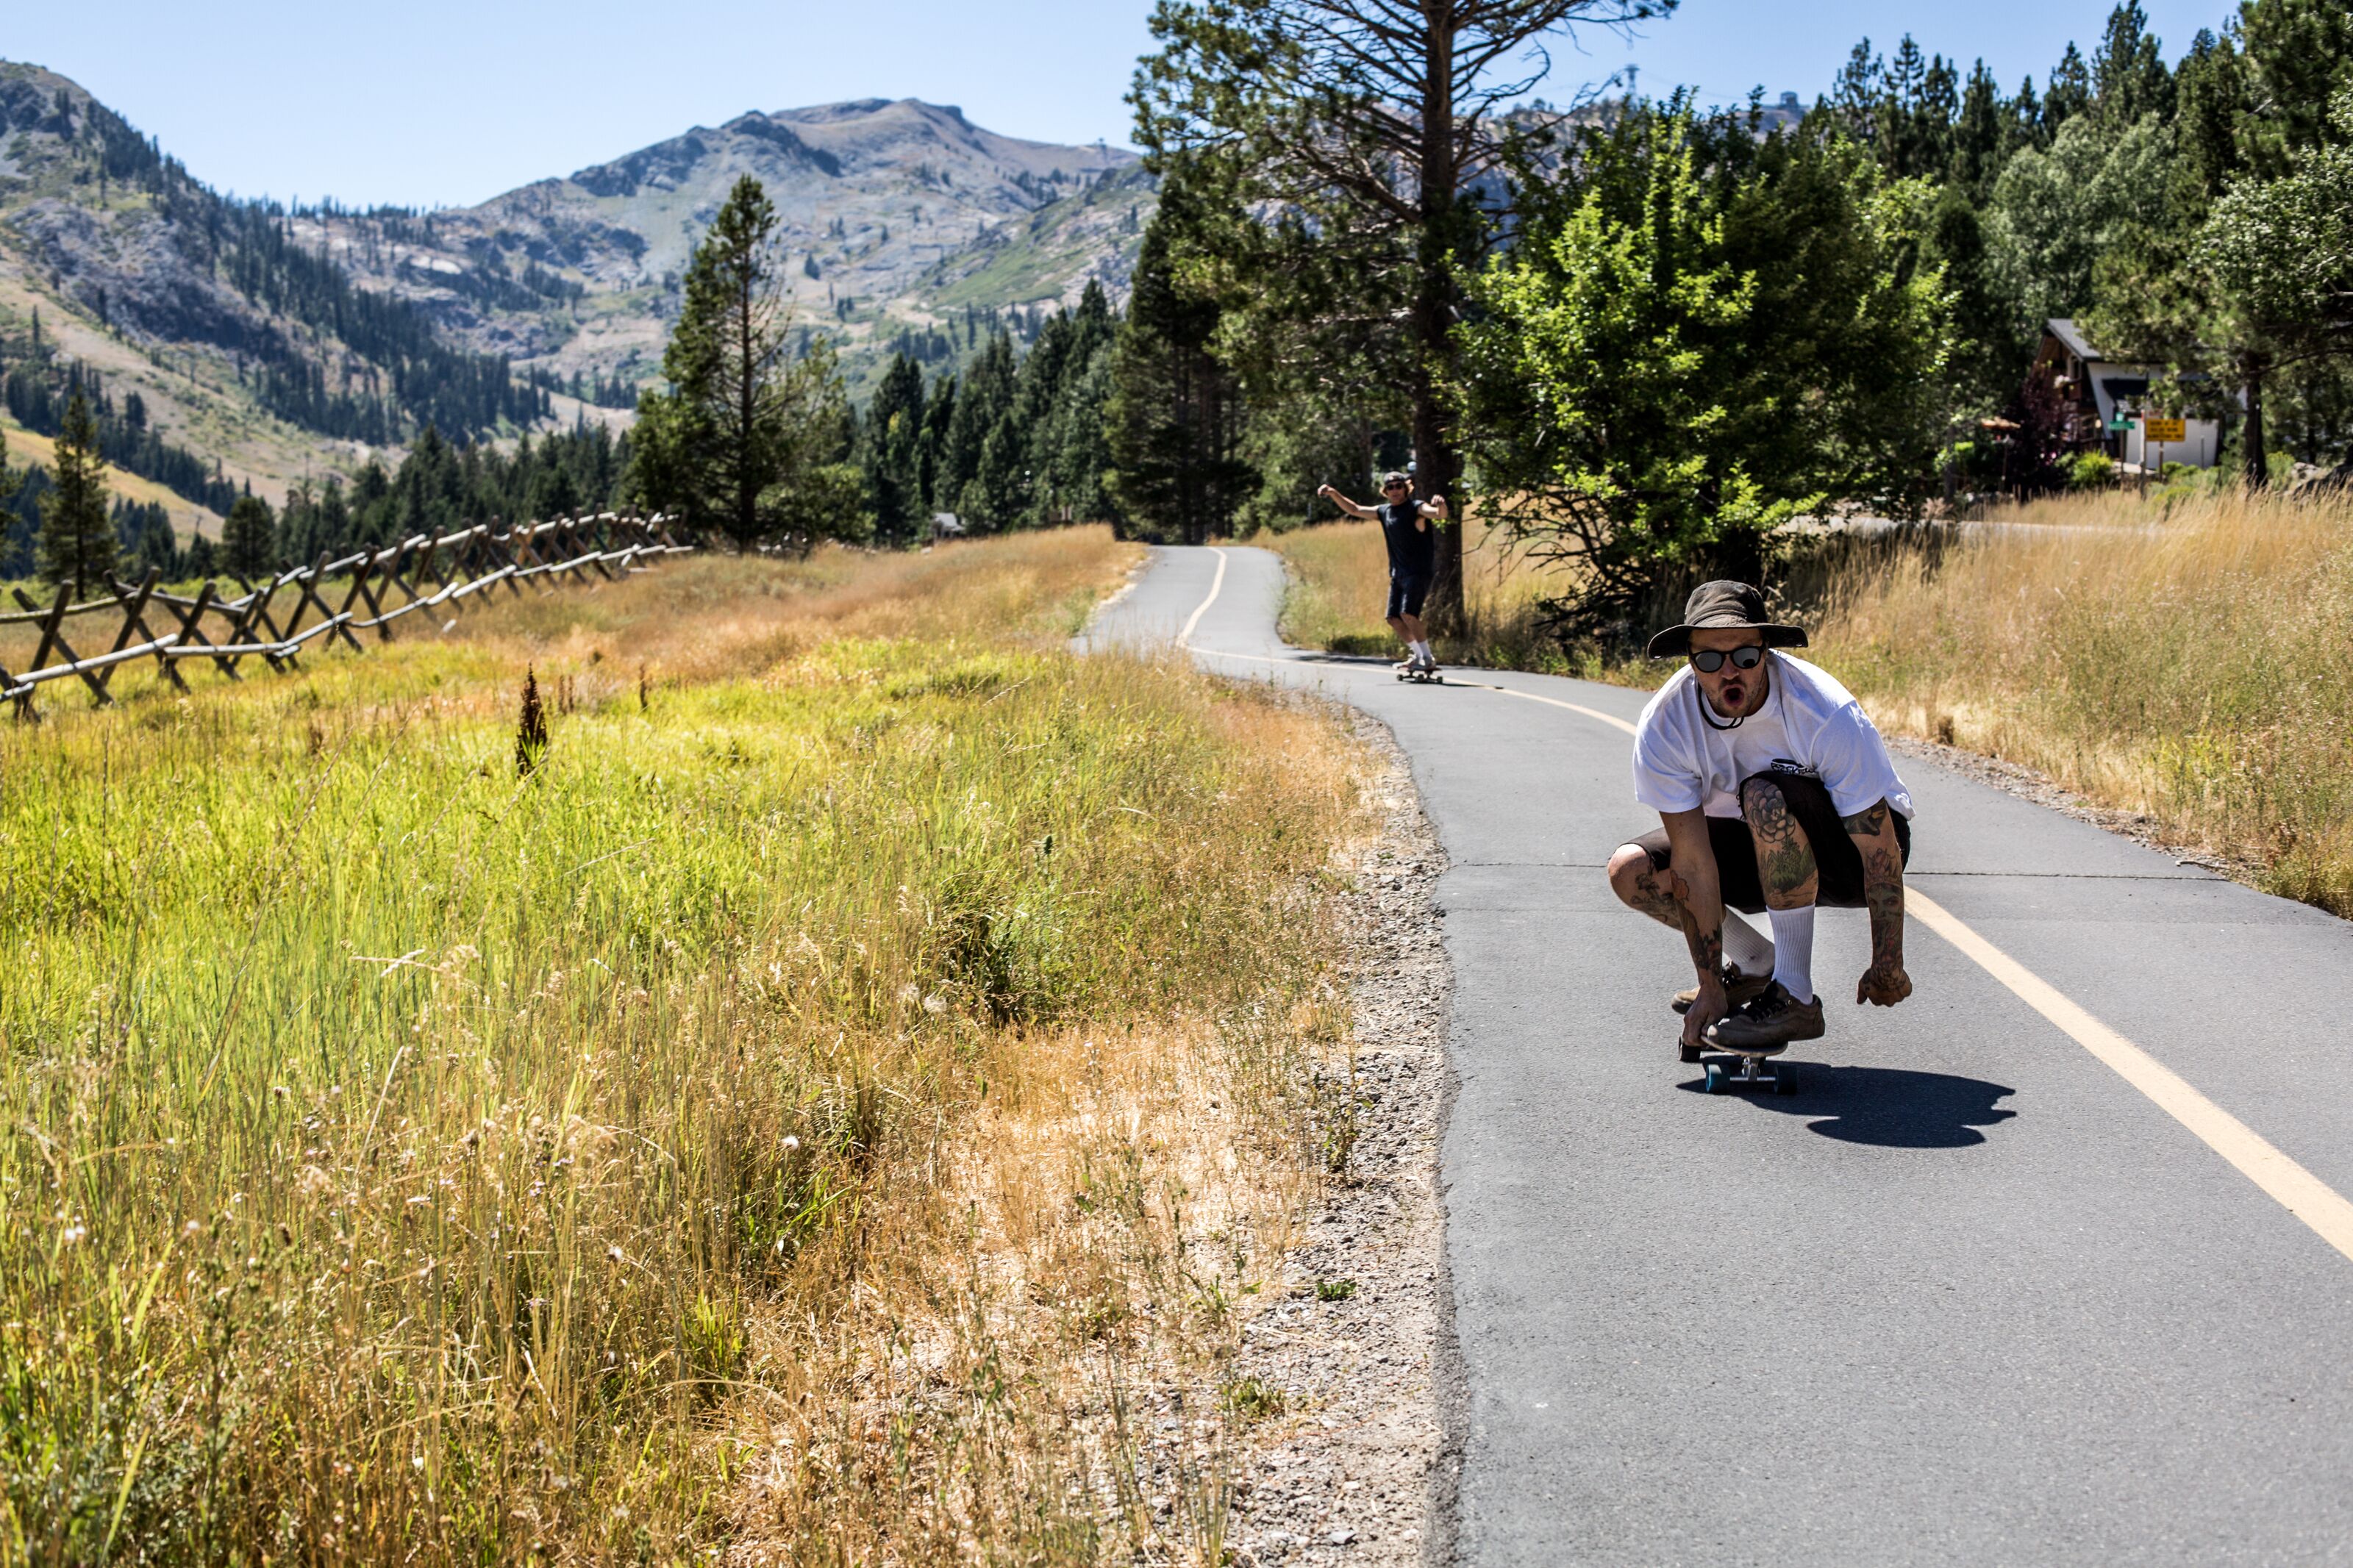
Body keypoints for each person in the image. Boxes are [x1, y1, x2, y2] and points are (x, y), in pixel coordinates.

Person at [1603, 581, 1915, 1054]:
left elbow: (1881, 848)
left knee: (1764, 795)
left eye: (1745, 657)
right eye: (1710, 659)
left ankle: (1795, 996)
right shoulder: (1665, 724)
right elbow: (1692, 864)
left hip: (1849, 860)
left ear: (1766, 653)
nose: (1729, 673)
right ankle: (1754, 964)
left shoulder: (1823, 712)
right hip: (1756, 847)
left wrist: (1887, 961)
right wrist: (1710, 989)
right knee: (1634, 872)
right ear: (1690, 661)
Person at [1316, 472, 1449, 674]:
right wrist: (1334, 493)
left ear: (1406, 488)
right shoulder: (1384, 511)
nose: (1395, 490)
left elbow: (1439, 515)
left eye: (1399, 486)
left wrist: (1441, 505)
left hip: (1418, 571)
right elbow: (1355, 509)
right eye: (1391, 487)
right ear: (1386, 492)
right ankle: (1417, 655)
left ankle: (1428, 658)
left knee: (1408, 614)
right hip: (1398, 573)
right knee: (1393, 618)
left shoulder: (1416, 508)